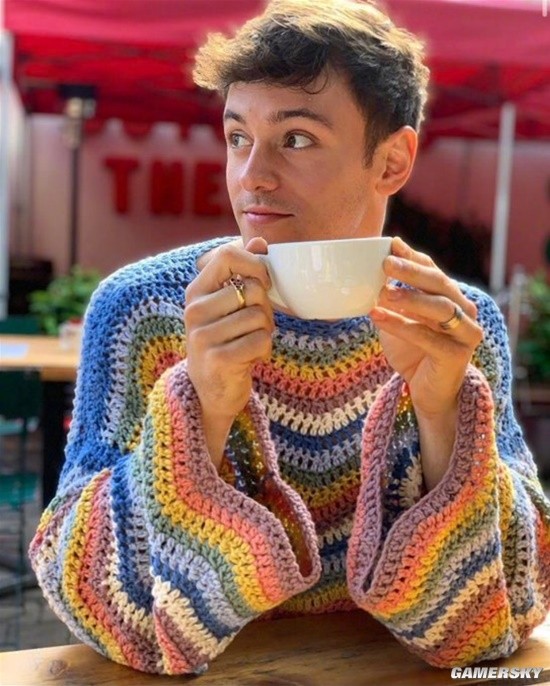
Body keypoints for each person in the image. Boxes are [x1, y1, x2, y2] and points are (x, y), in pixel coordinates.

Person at [30, 0, 550, 675]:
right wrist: (201, 409)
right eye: (237, 136)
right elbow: (79, 588)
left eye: (296, 138)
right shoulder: (146, 313)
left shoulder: (454, 325)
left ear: (392, 161)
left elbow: (520, 599)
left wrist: (443, 415)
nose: (251, 175)